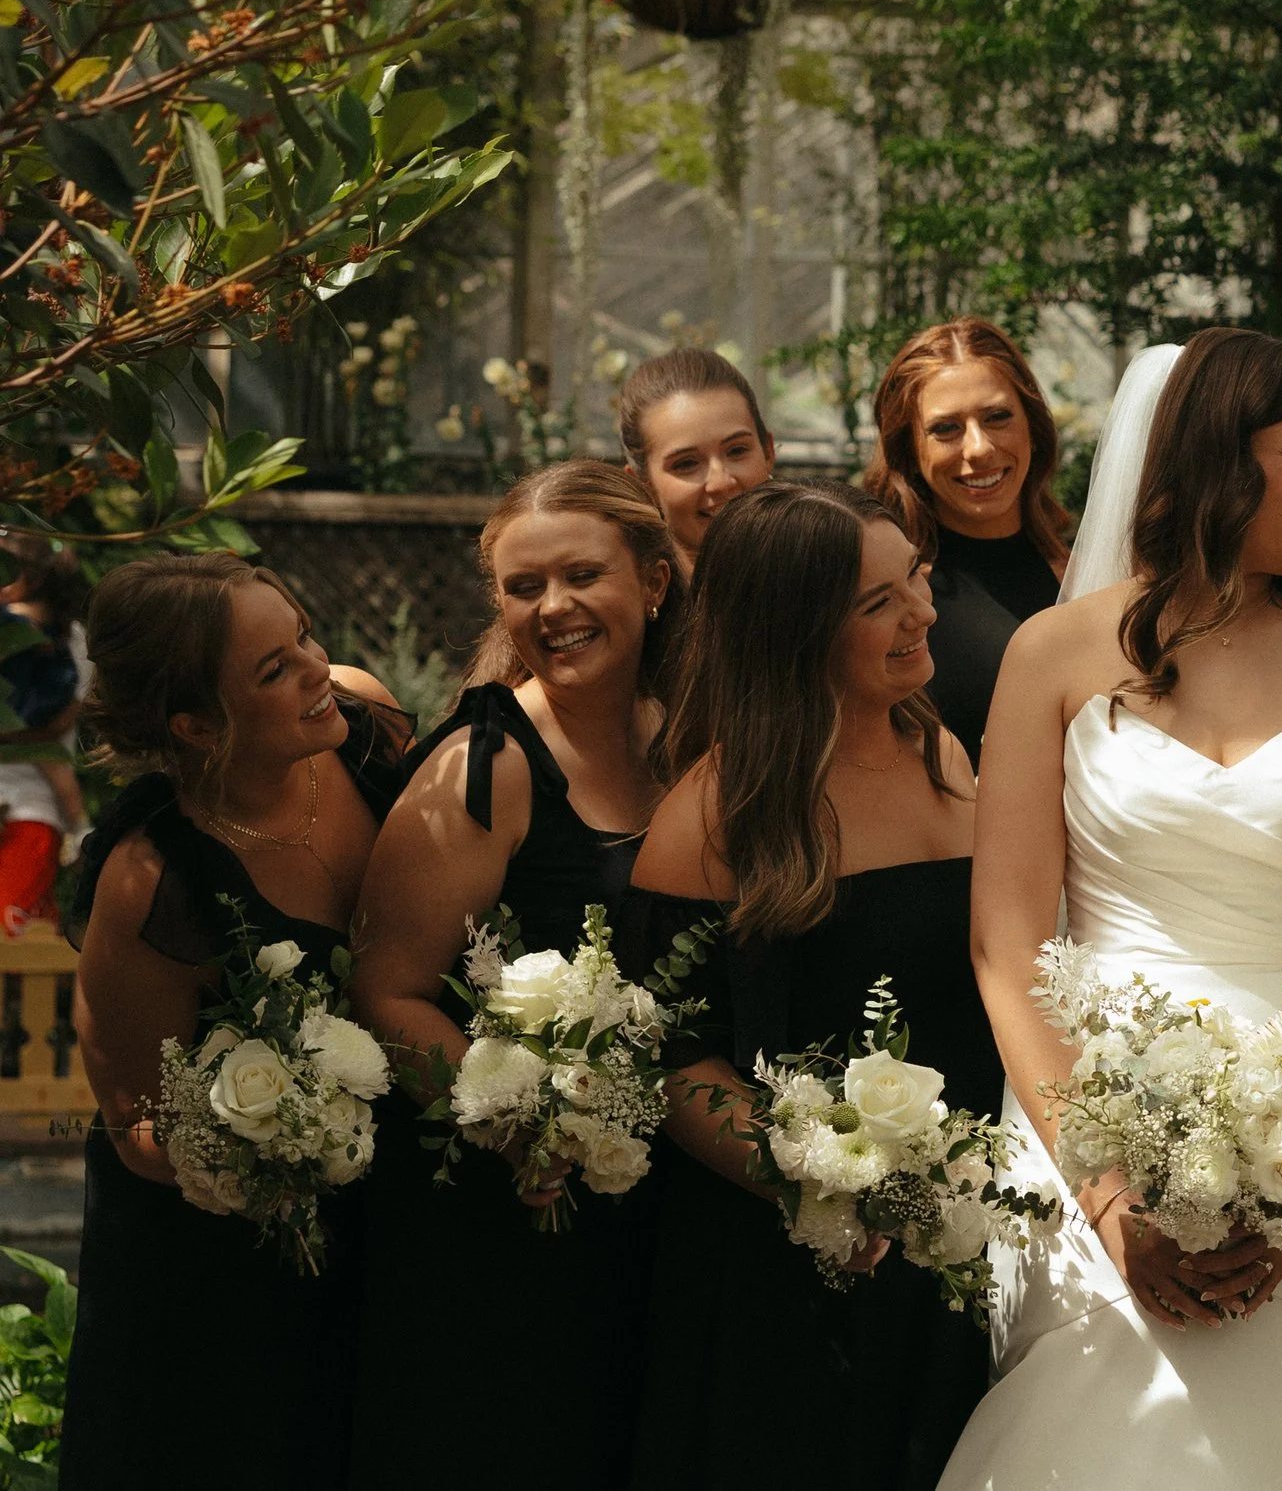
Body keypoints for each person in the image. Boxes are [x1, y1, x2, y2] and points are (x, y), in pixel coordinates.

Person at [936, 328, 1282, 1490]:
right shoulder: (1054, 651)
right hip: (1083, 1105)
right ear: (1220, 454)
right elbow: (1006, 940)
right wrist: (1106, 1191)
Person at [624, 480, 998, 1489]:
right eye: (876, 602)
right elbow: (670, 1062)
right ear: (793, 631)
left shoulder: (944, 753)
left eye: (914, 578)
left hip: (962, 1242)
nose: (920, 611)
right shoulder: (716, 813)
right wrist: (822, 1183)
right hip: (794, 1269)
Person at [346, 462, 684, 1490]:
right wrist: (525, 1117)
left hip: (665, 1217)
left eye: (583, 575)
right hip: (514, 1224)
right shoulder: (483, 766)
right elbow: (385, 988)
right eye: (523, 586)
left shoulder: (693, 737)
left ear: (655, 582)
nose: (554, 609)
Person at [61, 555, 409, 1490]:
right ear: (196, 725)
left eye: (302, 633)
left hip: (402, 1222)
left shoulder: (366, 725)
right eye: (273, 668)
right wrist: (284, 1146)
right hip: (225, 1277)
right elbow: (138, 1121)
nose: (316, 667)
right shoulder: (152, 883)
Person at [861, 317, 1070, 767]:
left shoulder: (1085, 572)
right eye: (945, 429)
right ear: (909, 450)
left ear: (1032, 426)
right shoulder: (892, 598)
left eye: (997, 417)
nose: (978, 448)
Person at [0, 535, 91, 937]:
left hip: (28, 808)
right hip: (33, 805)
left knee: (11, 935)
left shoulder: (68, 643)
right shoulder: (72, 640)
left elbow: (54, 728)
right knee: (27, 932)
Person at [616, 347, 778, 563]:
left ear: (768, 451)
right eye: (686, 464)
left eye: (737, 450)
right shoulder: (629, 595)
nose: (721, 483)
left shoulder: (828, 578)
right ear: (643, 485)